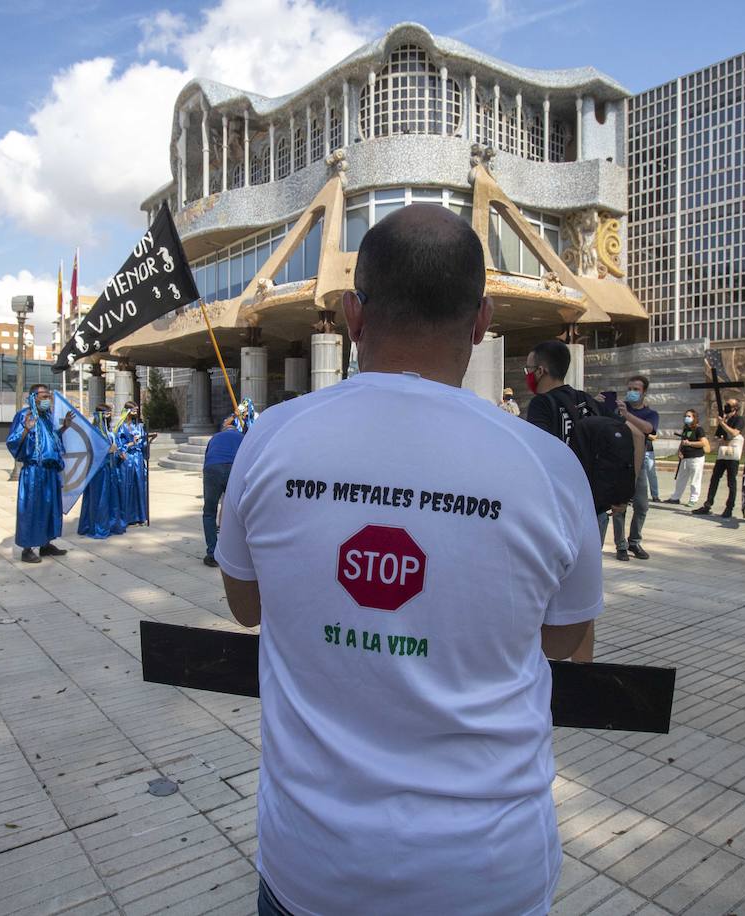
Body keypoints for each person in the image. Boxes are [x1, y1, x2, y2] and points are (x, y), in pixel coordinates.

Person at [214, 205, 603, 916]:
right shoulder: (547, 468)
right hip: (487, 872)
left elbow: (247, 607)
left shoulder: (271, 440)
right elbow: (564, 638)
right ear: (481, 320)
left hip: (314, 867)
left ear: (355, 316)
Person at [524, 339, 644, 547]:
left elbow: (538, 453)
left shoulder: (541, 404)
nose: (527, 375)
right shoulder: (590, 401)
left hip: (559, 512)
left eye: (528, 369)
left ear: (540, 371)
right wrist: (626, 490)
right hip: (595, 509)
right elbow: (637, 435)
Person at [7, 384, 73, 563]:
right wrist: (26, 429)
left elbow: (51, 441)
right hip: (34, 471)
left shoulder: (47, 417)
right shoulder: (24, 416)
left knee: (50, 507)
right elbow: (12, 442)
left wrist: (64, 428)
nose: (47, 399)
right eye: (43, 396)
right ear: (33, 397)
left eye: (48, 396)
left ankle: (46, 544)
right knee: (31, 508)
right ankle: (27, 549)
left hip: (50, 471)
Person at [605, 374, 658, 561]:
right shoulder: (618, 408)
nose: (632, 392)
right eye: (630, 389)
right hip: (619, 464)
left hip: (639, 465)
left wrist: (628, 416)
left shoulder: (649, 413)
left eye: (636, 389)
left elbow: (648, 429)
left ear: (644, 392)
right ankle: (620, 545)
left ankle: (634, 541)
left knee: (642, 505)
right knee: (619, 507)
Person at [201, 414, 243, 568]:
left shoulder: (215, 437)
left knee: (209, 512)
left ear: (224, 429)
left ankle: (212, 553)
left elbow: (207, 458)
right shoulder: (242, 437)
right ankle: (235, 553)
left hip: (212, 468)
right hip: (234, 468)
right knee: (236, 512)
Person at [78, 404, 124, 539]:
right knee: (99, 498)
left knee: (111, 497)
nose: (109, 416)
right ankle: (98, 526)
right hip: (98, 471)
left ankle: (111, 524)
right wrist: (107, 450)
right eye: (107, 414)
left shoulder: (107, 431)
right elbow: (90, 450)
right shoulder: (93, 431)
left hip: (109, 468)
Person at [694, 399, 745, 518]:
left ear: (735, 408)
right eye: (726, 404)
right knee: (714, 478)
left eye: (729, 405)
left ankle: (729, 507)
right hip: (723, 453)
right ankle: (708, 504)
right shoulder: (724, 419)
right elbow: (717, 436)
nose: (726, 407)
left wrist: (722, 423)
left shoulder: (739, 419)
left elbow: (734, 433)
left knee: (731, 481)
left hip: (732, 455)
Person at [116, 401, 153, 527]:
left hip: (138, 458)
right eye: (133, 410)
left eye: (136, 410)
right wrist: (130, 444)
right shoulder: (121, 427)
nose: (135, 412)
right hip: (128, 460)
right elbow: (118, 446)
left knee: (139, 486)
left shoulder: (140, 426)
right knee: (127, 486)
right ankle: (126, 518)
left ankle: (140, 516)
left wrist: (148, 441)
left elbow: (142, 444)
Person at [666, 407, 709, 506]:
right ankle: (675, 497)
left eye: (689, 416)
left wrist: (689, 443)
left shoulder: (699, 429)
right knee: (681, 479)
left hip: (696, 458)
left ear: (694, 418)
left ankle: (693, 499)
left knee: (695, 480)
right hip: (685, 457)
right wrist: (680, 451)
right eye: (685, 416)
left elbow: (703, 443)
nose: (686, 418)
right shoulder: (686, 429)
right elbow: (683, 441)